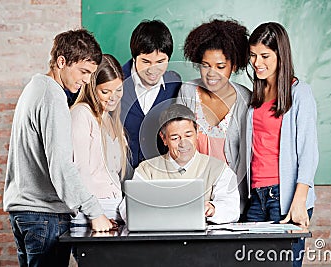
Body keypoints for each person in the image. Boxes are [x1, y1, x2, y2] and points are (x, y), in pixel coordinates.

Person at [3, 29, 115, 267]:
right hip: (44, 216)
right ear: (62, 61)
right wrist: (95, 212)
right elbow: (62, 166)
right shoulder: (53, 97)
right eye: (83, 72)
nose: (86, 80)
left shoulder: (34, 88)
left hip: (24, 214)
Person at [244, 22, 318, 267]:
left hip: (283, 197)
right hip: (255, 198)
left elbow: (308, 151)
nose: (257, 63)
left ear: (281, 55)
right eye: (253, 55)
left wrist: (299, 200)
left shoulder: (300, 93)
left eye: (265, 56)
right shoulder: (254, 96)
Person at [176, 19, 251, 218]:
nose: (211, 74)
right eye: (205, 65)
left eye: (220, 66)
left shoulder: (246, 99)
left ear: (233, 66)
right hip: (191, 197)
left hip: (231, 200)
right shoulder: (187, 91)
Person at [119, 104, 240, 224]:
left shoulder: (218, 169)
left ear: (197, 132)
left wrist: (213, 209)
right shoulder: (146, 170)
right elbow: (127, 208)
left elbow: (232, 208)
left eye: (188, 135)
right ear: (164, 139)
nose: (183, 143)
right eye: (175, 138)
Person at [70, 54, 128, 229]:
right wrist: (95, 214)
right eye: (105, 91)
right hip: (93, 213)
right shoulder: (81, 114)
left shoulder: (110, 119)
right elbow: (79, 171)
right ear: (91, 88)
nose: (113, 97)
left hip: (113, 210)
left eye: (118, 90)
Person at [120, 19, 182, 172]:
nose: (153, 69)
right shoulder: (115, 82)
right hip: (117, 178)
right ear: (134, 58)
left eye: (161, 61)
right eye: (146, 62)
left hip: (159, 178)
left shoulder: (175, 85)